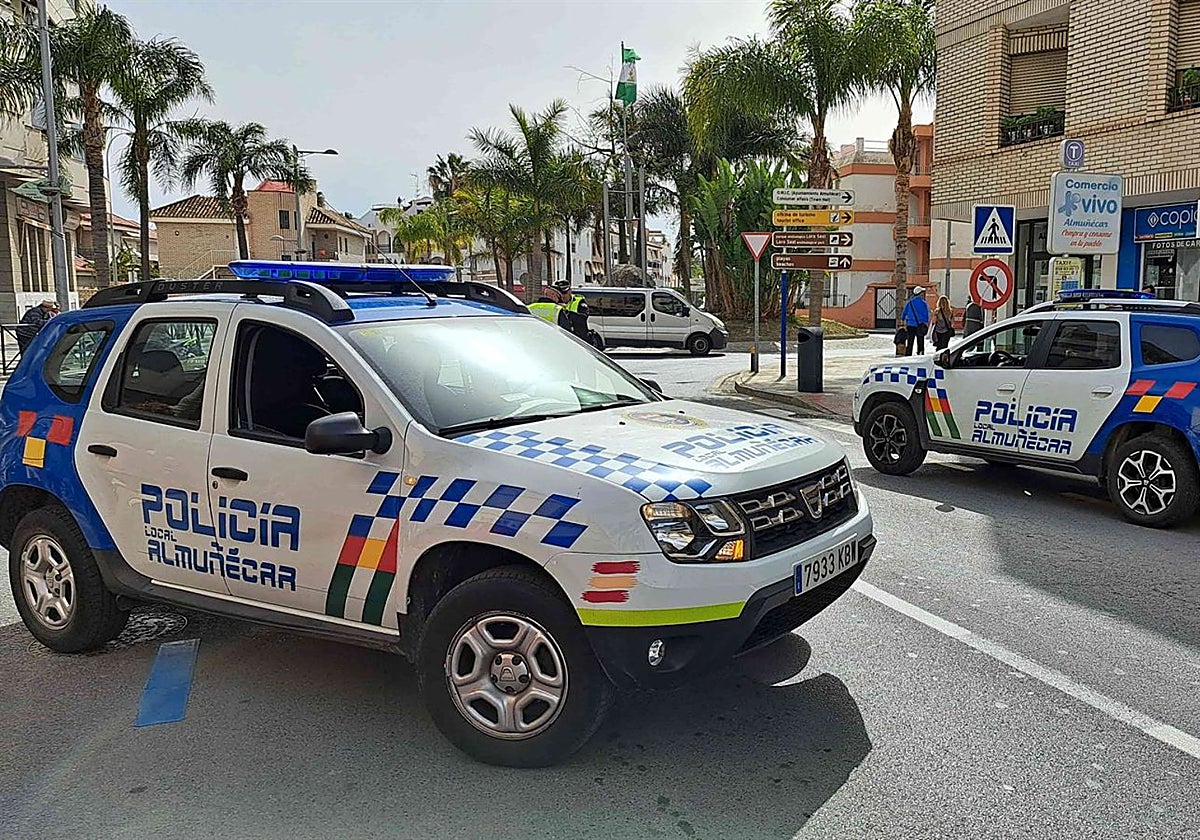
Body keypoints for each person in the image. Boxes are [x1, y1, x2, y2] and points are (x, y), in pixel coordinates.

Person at [901, 287, 930, 356]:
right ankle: (920, 353)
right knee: (920, 341)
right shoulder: (924, 303)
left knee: (910, 341)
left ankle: (908, 354)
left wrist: (903, 320)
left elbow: (904, 313)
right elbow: (926, 315)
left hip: (910, 325)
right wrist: (926, 323)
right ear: (920, 294)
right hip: (920, 325)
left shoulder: (909, 303)